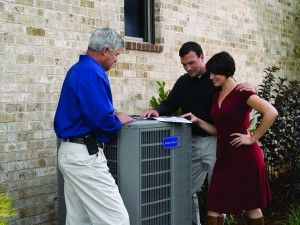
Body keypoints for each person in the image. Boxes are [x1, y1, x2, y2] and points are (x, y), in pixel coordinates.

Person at [142, 42, 254, 225]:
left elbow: (236, 95)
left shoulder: (216, 80)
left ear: (202, 57)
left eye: (192, 63)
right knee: (185, 188)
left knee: (218, 192)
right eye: (184, 64)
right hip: (191, 142)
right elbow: (169, 103)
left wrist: (247, 88)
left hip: (215, 142)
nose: (188, 68)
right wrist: (157, 111)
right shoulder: (183, 82)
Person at [181, 51, 278, 225]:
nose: (211, 77)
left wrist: (252, 138)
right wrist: (198, 121)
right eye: (209, 73)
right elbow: (219, 130)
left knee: (251, 206)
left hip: (245, 157)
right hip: (225, 157)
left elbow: (271, 112)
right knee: (214, 204)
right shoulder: (216, 96)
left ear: (226, 71)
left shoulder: (243, 92)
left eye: (214, 73)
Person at [54, 28, 134, 225]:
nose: (116, 60)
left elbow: (87, 110)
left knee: (79, 220)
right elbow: (102, 120)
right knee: (117, 220)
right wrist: (118, 119)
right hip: (84, 156)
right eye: (116, 54)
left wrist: (110, 113)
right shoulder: (91, 72)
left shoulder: (78, 69)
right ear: (105, 50)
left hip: (71, 152)